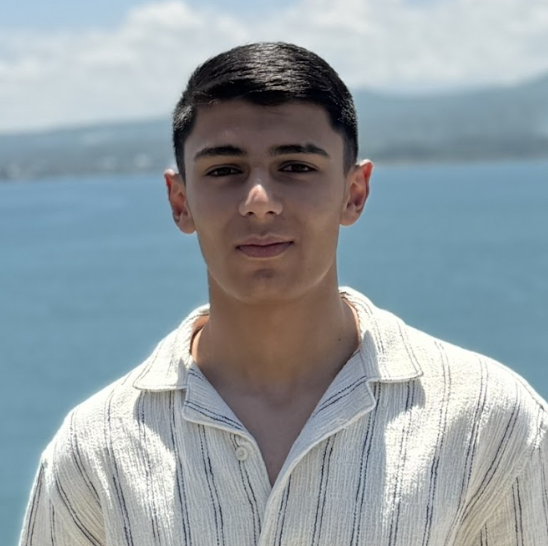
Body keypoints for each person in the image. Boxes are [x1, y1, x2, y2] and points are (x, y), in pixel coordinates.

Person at [20, 42, 547, 546]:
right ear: (180, 201)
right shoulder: (95, 452)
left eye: (296, 167)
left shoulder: (490, 421)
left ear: (354, 192)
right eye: (224, 170)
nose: (259, 200)